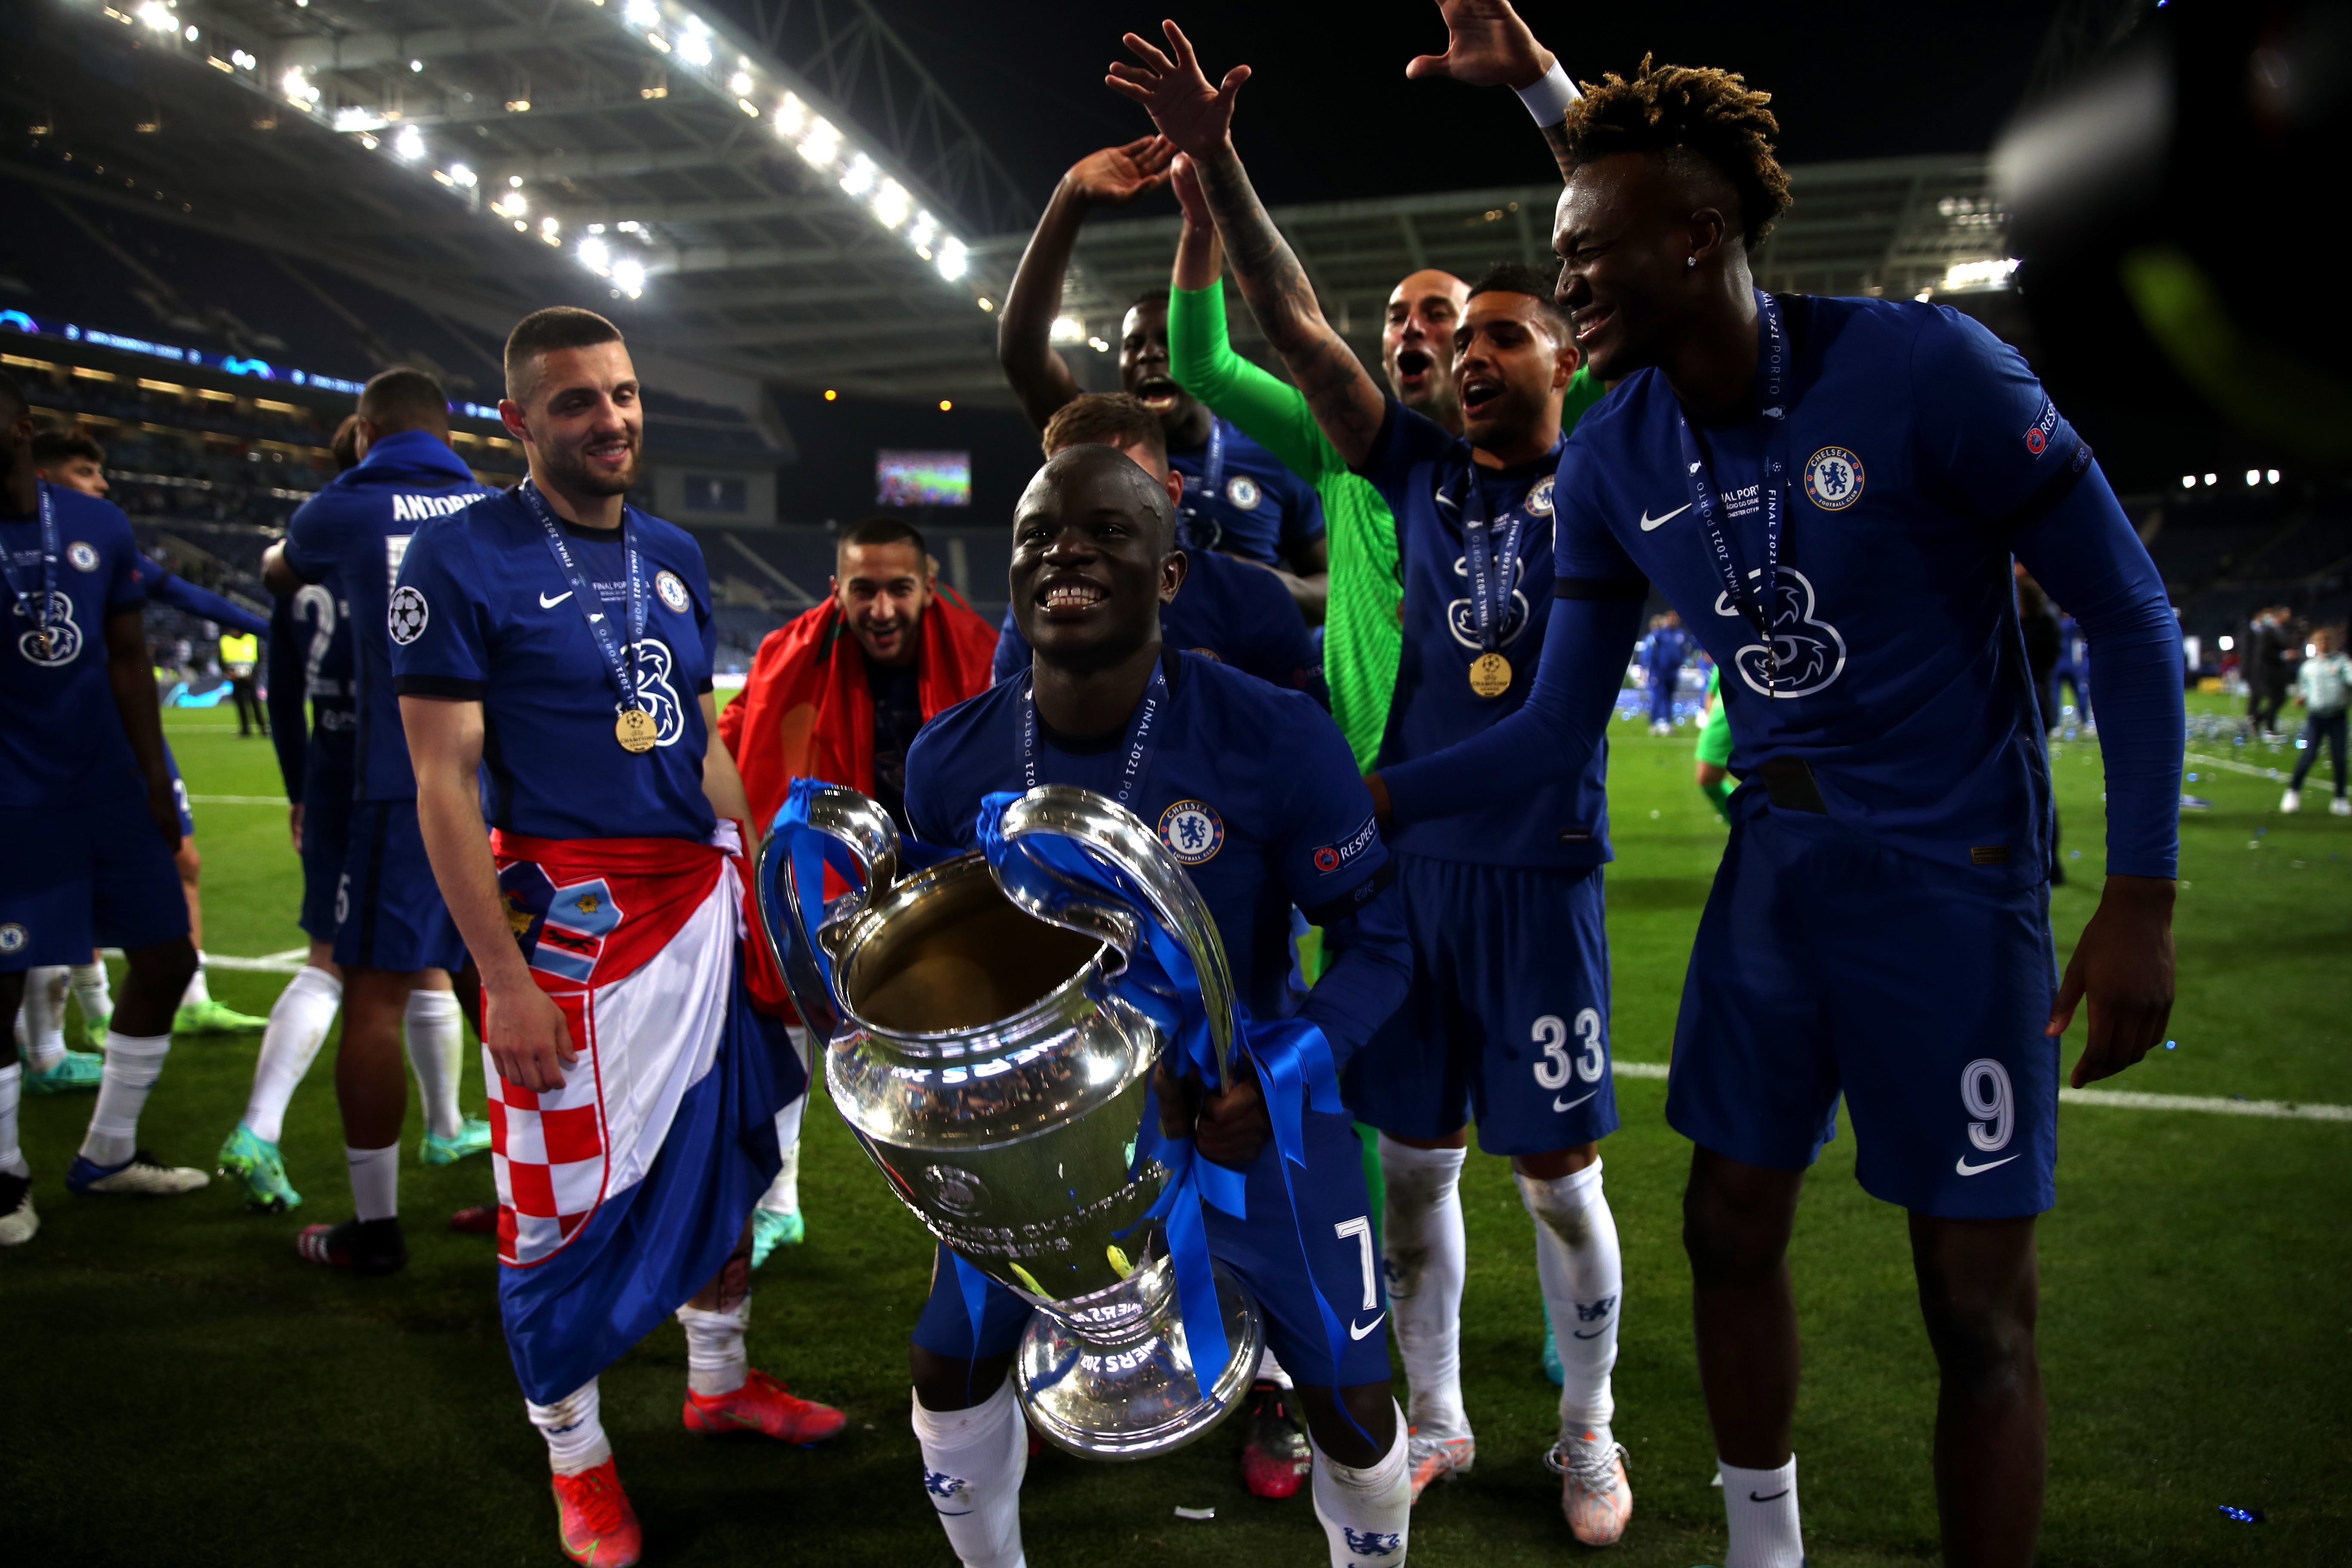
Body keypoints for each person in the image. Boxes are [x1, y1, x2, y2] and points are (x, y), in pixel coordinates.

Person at [1357, 8, 2185, 1564]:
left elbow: (2127, 613)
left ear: (1702, 237)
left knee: (1973, 1306)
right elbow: (1545, 735)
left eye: (1588, 252)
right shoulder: (1610, 465)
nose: (1562, 279)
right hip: (1776, 880)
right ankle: (1763, 1545)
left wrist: (2136, 892)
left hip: (1957, 875)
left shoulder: (1926, 368)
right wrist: (1372, 802)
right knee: (1723, 1225)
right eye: (1556, 253)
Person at [1116, 28, 1634, 1541]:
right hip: (1408, 889)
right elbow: (1282, 320)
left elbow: (1614, 254)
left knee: (1554, 1180)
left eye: (1501, 338)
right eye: (1453, 340)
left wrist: (1543, 87)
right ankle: (1440, 1416)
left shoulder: (1605, 456)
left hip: (1535, 869)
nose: (1467, 356)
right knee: (1412, 1181)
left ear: (1569, 360)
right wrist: (1216, 160)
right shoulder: (1404, 467)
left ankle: (1589, 1435)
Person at [900, 444, 1415, 1568]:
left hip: (1251, 1122)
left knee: (1359, 1417)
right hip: (1046, 1148)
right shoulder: (952, 758)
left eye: (1106, 531)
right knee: (949, 1370)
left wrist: (1278, 1069)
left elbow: (1381, 943)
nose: (1064, 551)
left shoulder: (1275, 737)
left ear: (1171, 576)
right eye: (1038, 534)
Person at [396, 306, 844, 1568]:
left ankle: (718, 1380)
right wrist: (501, 980)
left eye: (625, 394)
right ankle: (578, 1464)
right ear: (519, 420)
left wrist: (758, 882)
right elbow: (443, 784)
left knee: (724, 1158)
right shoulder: (460, 559)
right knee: (556, 1211)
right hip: (572, 937)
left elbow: (695, 737)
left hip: (699, 913)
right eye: (579, 401)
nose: (613, 420)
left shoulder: (675, 552)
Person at [718, 511, 998, 1264]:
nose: (881, 609)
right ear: (835, 588)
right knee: (783, 1014)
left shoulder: (983, 650)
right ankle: (777, 1202)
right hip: (828, 870)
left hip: (946, 866)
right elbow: (735, 739)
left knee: (964, 1033)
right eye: (863, 589)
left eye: (899, 589)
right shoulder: (786, 656)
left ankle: (982, 1195)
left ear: (930, 586)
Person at [263, 368, 493, 1275]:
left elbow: (283, 570)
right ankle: (537, 1200)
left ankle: (375, 1228)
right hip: (495, 790)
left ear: (365, 432)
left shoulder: (337, 509)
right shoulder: (493, 507)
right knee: (497, 991)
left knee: (373, 993)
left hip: (392, 789)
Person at [2, 371, 210, 1250]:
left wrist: (157, 786)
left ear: (19, 424)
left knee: (166, 957)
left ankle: (107, 1153)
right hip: (13, 802)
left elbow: (129, 659)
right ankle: (7, 1178)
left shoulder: (95, 522)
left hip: (108, 794)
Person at [997, 136, 1331, 619]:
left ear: (1198, 347)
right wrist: (1071, 195)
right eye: (1133, 346)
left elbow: (1331, 588)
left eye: (1166, 342)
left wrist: (1261, 585)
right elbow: (1023, 354)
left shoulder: (1271, 453)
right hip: (1124, 686)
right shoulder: (1093, 445)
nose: (1148, 355)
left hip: (1241, 683)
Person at [35, 428, 269, 1038]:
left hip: (127, 734)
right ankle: (80, 1020)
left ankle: (191, 998)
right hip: (54, 742)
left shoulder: (99, 540)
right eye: (86, 471)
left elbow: (184, 593)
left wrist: (275, 629)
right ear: (41, 475)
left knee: (183, 861)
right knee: (60, 883)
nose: (101, 482)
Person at [219, 415, 363, 1212]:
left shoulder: (300, 550)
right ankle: (260, 1126)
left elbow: (283, 690)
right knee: (372, 963)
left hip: (329, 764)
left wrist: (298, 787)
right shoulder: (407, 542)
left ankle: (447, 1122)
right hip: (401, 776)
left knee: (364, 959)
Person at [990, 395, 1326, 704]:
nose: (1075, 545)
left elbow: (1304, 744)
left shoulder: (1255, 598)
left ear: (1171, 493)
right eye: (1066, 491)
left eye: (1117, 489)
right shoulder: (1038, 610)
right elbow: (1003, 740)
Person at [2280, 625, 2349, 815]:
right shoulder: (2308, 667)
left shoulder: (2343, 663)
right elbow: (2303, 687)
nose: (2324, 644)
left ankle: (2340, 799)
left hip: (2338, 716)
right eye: (2320, 641)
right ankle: (2293, 793)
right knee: (2309, 755)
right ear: (2314, 644)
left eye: (2327, 641)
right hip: (2316, 717)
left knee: (2340, 758)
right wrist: (2301, 697)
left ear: (2334, 643)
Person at [1693, 662, 1734, 823]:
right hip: (1725, 711)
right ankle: (1744, 824)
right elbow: (1711, 693)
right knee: (1708, 777)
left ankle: (1749, 827)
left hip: (1748, 701)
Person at [1641, 609, 1692, 734]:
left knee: (1669, 697)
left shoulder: (1682, 635)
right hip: (1659, 671)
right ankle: (1656, 722)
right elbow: (1651, 652)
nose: (1673, 620)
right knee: (1659, 696)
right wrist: (1649, 668)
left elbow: (1686, 650)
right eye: (1671, 618)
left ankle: (1667, 722)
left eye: (1675, 618)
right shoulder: (1659, 634)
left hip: (1673, 671)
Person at [220, 626, 267, 738]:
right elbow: (221, 660)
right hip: (235, 677)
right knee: (240, 703)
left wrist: (254, 673)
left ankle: (263, 728)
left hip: (250, 678)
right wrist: (228, 672)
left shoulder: (251, 639)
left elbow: (259, 659)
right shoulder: (225, 641)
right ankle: (245, 730)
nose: (233, 631)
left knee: (255, 702)